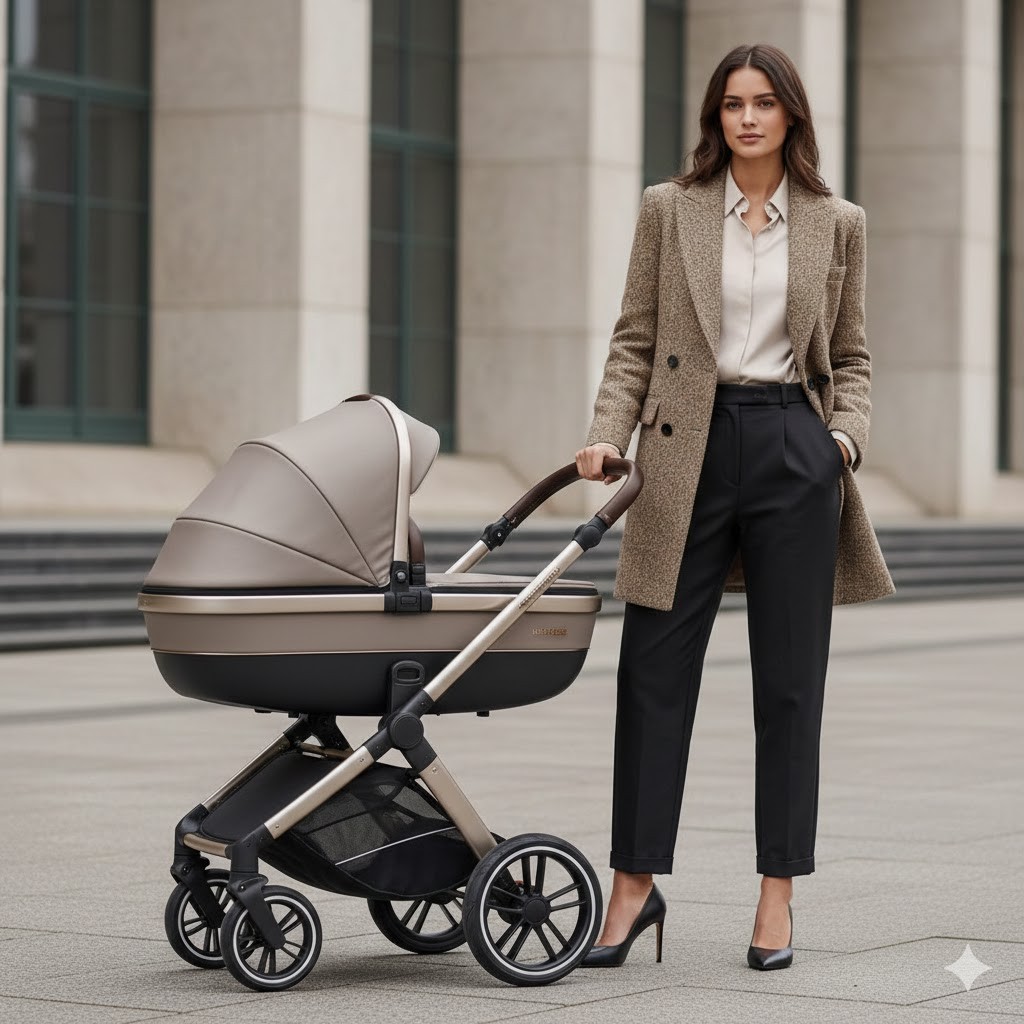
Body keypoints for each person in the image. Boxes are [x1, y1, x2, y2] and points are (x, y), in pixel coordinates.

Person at [575, 42, 895, 970]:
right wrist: (607, 432)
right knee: (651, 674)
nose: (746, 118)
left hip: (795, 447)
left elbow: (855, 354)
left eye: (763, 103)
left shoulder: (838, 223)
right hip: (687, 450)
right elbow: (634, 338)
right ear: (715, 118)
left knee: (790, 687)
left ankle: (776, 896)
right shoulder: (668, 210)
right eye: (730, 104)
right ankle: (633, 887)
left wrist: (842, 440)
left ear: (792, 115)